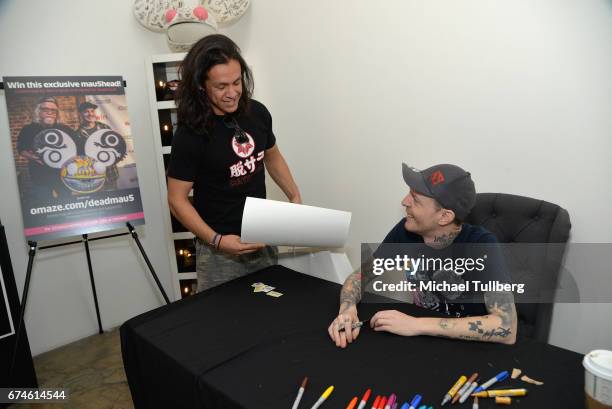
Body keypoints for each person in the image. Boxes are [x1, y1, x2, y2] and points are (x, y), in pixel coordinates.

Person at [328, 163, 517, 348]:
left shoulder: (482, 245)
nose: (404, 202)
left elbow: (506, 328)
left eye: (415, 200)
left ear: (444, 217)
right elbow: (360, 276)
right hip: (422, 342)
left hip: (470, 349)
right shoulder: (405, 232)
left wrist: (416, 324)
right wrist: (347, 308)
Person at [167, 34, 302, 292]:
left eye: (237, 82)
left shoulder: (257, 113)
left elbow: (272, 155)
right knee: (223, 323)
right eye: (221, 86)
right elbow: (176, 199)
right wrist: (217, 240)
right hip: (219, 252)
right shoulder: (190, 134)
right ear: (201, 86)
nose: (232, 93)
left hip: (263, 238)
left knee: (271, 313)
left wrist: (294, 196)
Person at [16, 96, 75, 200]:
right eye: (45, 109)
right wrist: (33, 157)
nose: (50, 112)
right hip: (40, 175)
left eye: (53, 110)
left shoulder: (64, 129)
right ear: (38, 111)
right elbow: (21, 149)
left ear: (57, 113)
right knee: (45, 202)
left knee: (67, 201)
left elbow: (76, 146)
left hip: (62, 174)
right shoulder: (28, 129)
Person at [76, 101, 119, 190]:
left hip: (110, 173)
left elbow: (115, 146)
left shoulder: (105, 128)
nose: (90, 114)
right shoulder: (78, 134)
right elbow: (80, 157)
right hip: (94, 176)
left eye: (92, 111)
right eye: (86, 111)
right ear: (81, 114)